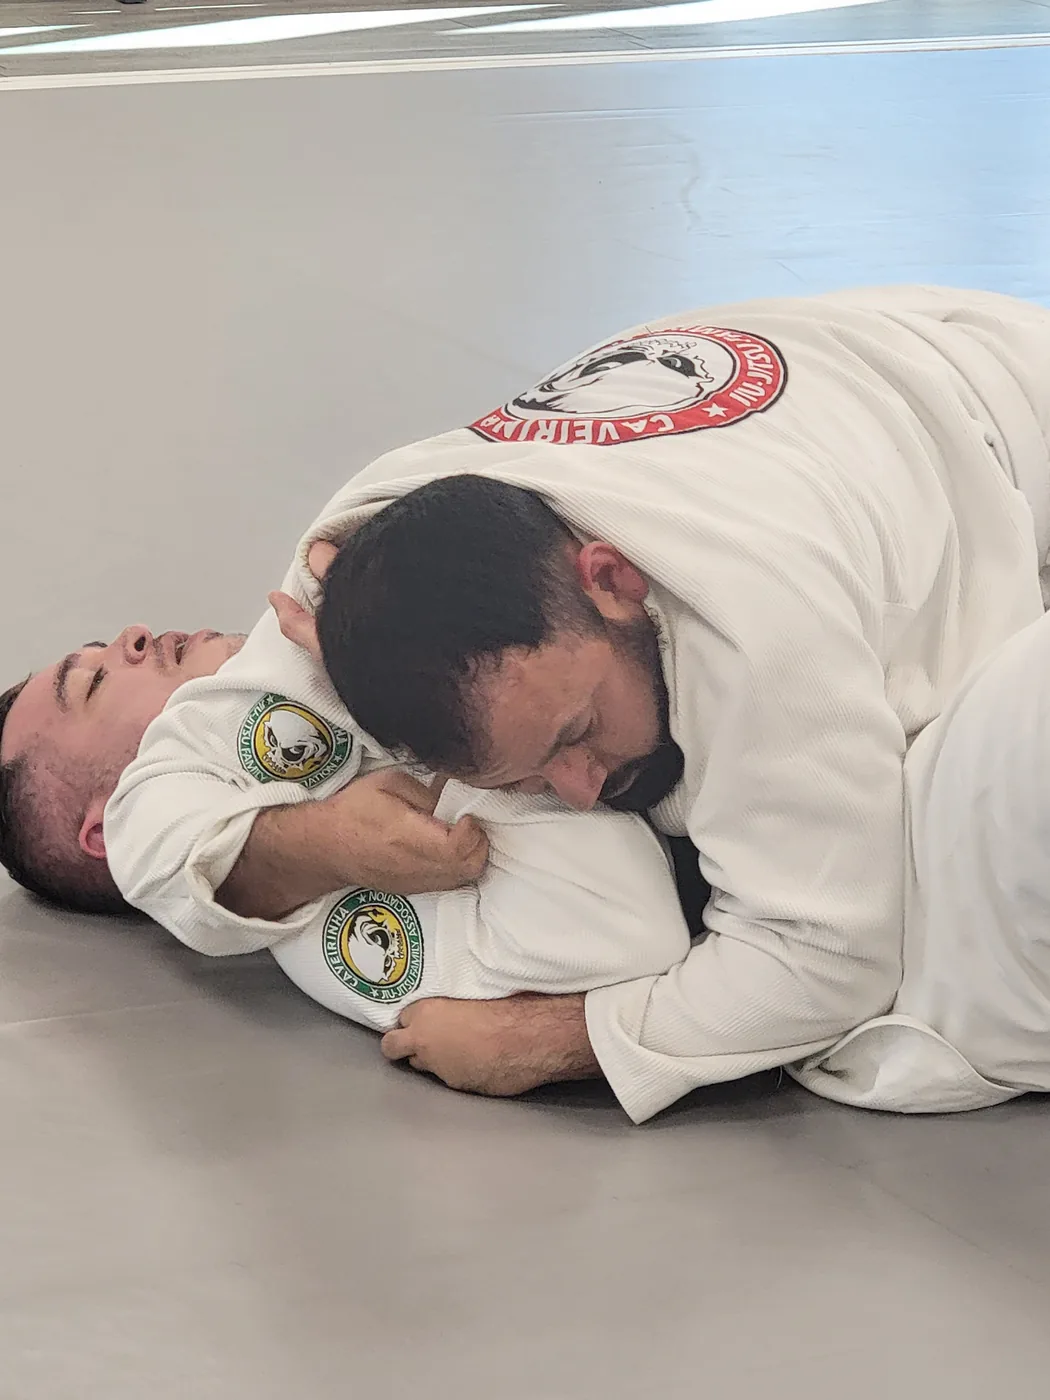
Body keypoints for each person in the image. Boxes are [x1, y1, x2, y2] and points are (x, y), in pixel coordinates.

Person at [251, 285, 1050, 1120]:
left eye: (578, 733)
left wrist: (565, 1039)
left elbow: (828, 960)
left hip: (994, 404)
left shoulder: (759, 629)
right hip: (869, 378)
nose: (582, 791)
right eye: (522, 778)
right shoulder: (361, 553)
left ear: (613, 580)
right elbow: (153, 802)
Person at [0, 568, 698, 1101]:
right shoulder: (346, 936)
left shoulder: (307, 654)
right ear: (109, 826)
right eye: (91, 683)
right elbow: (640, 936)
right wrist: (444, 759)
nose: (132, 637)